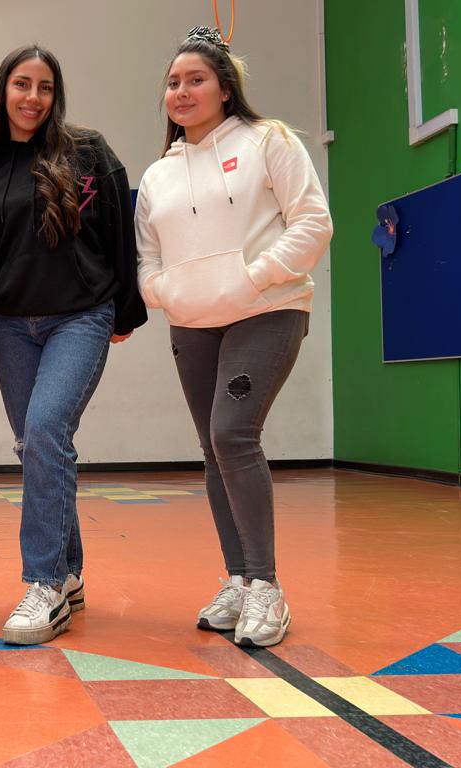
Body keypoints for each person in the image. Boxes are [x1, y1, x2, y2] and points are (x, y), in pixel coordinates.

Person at [135, 27, 333, 646]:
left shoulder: (268, 140)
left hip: (267, 310)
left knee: (232, 434)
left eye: (195, 79)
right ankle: (240, 579)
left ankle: (267, 586)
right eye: (173, 82)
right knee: (212, 446)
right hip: (191, 322)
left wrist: (253, 277)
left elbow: (313, 223)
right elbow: (147, 257)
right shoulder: (159, 174)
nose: (181, 91)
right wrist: (164, 293)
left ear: (225, 87)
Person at [0, 45, 147, 645]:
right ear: (4, 90)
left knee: (46, 430)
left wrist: (126, 309)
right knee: (37, 445)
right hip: (10, 325)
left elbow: (121, 232)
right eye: (22, 84)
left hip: (81, 317)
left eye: (45, 87)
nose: (33, 97)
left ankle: (43, 585)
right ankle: (69, 571)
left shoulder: (88, 151)